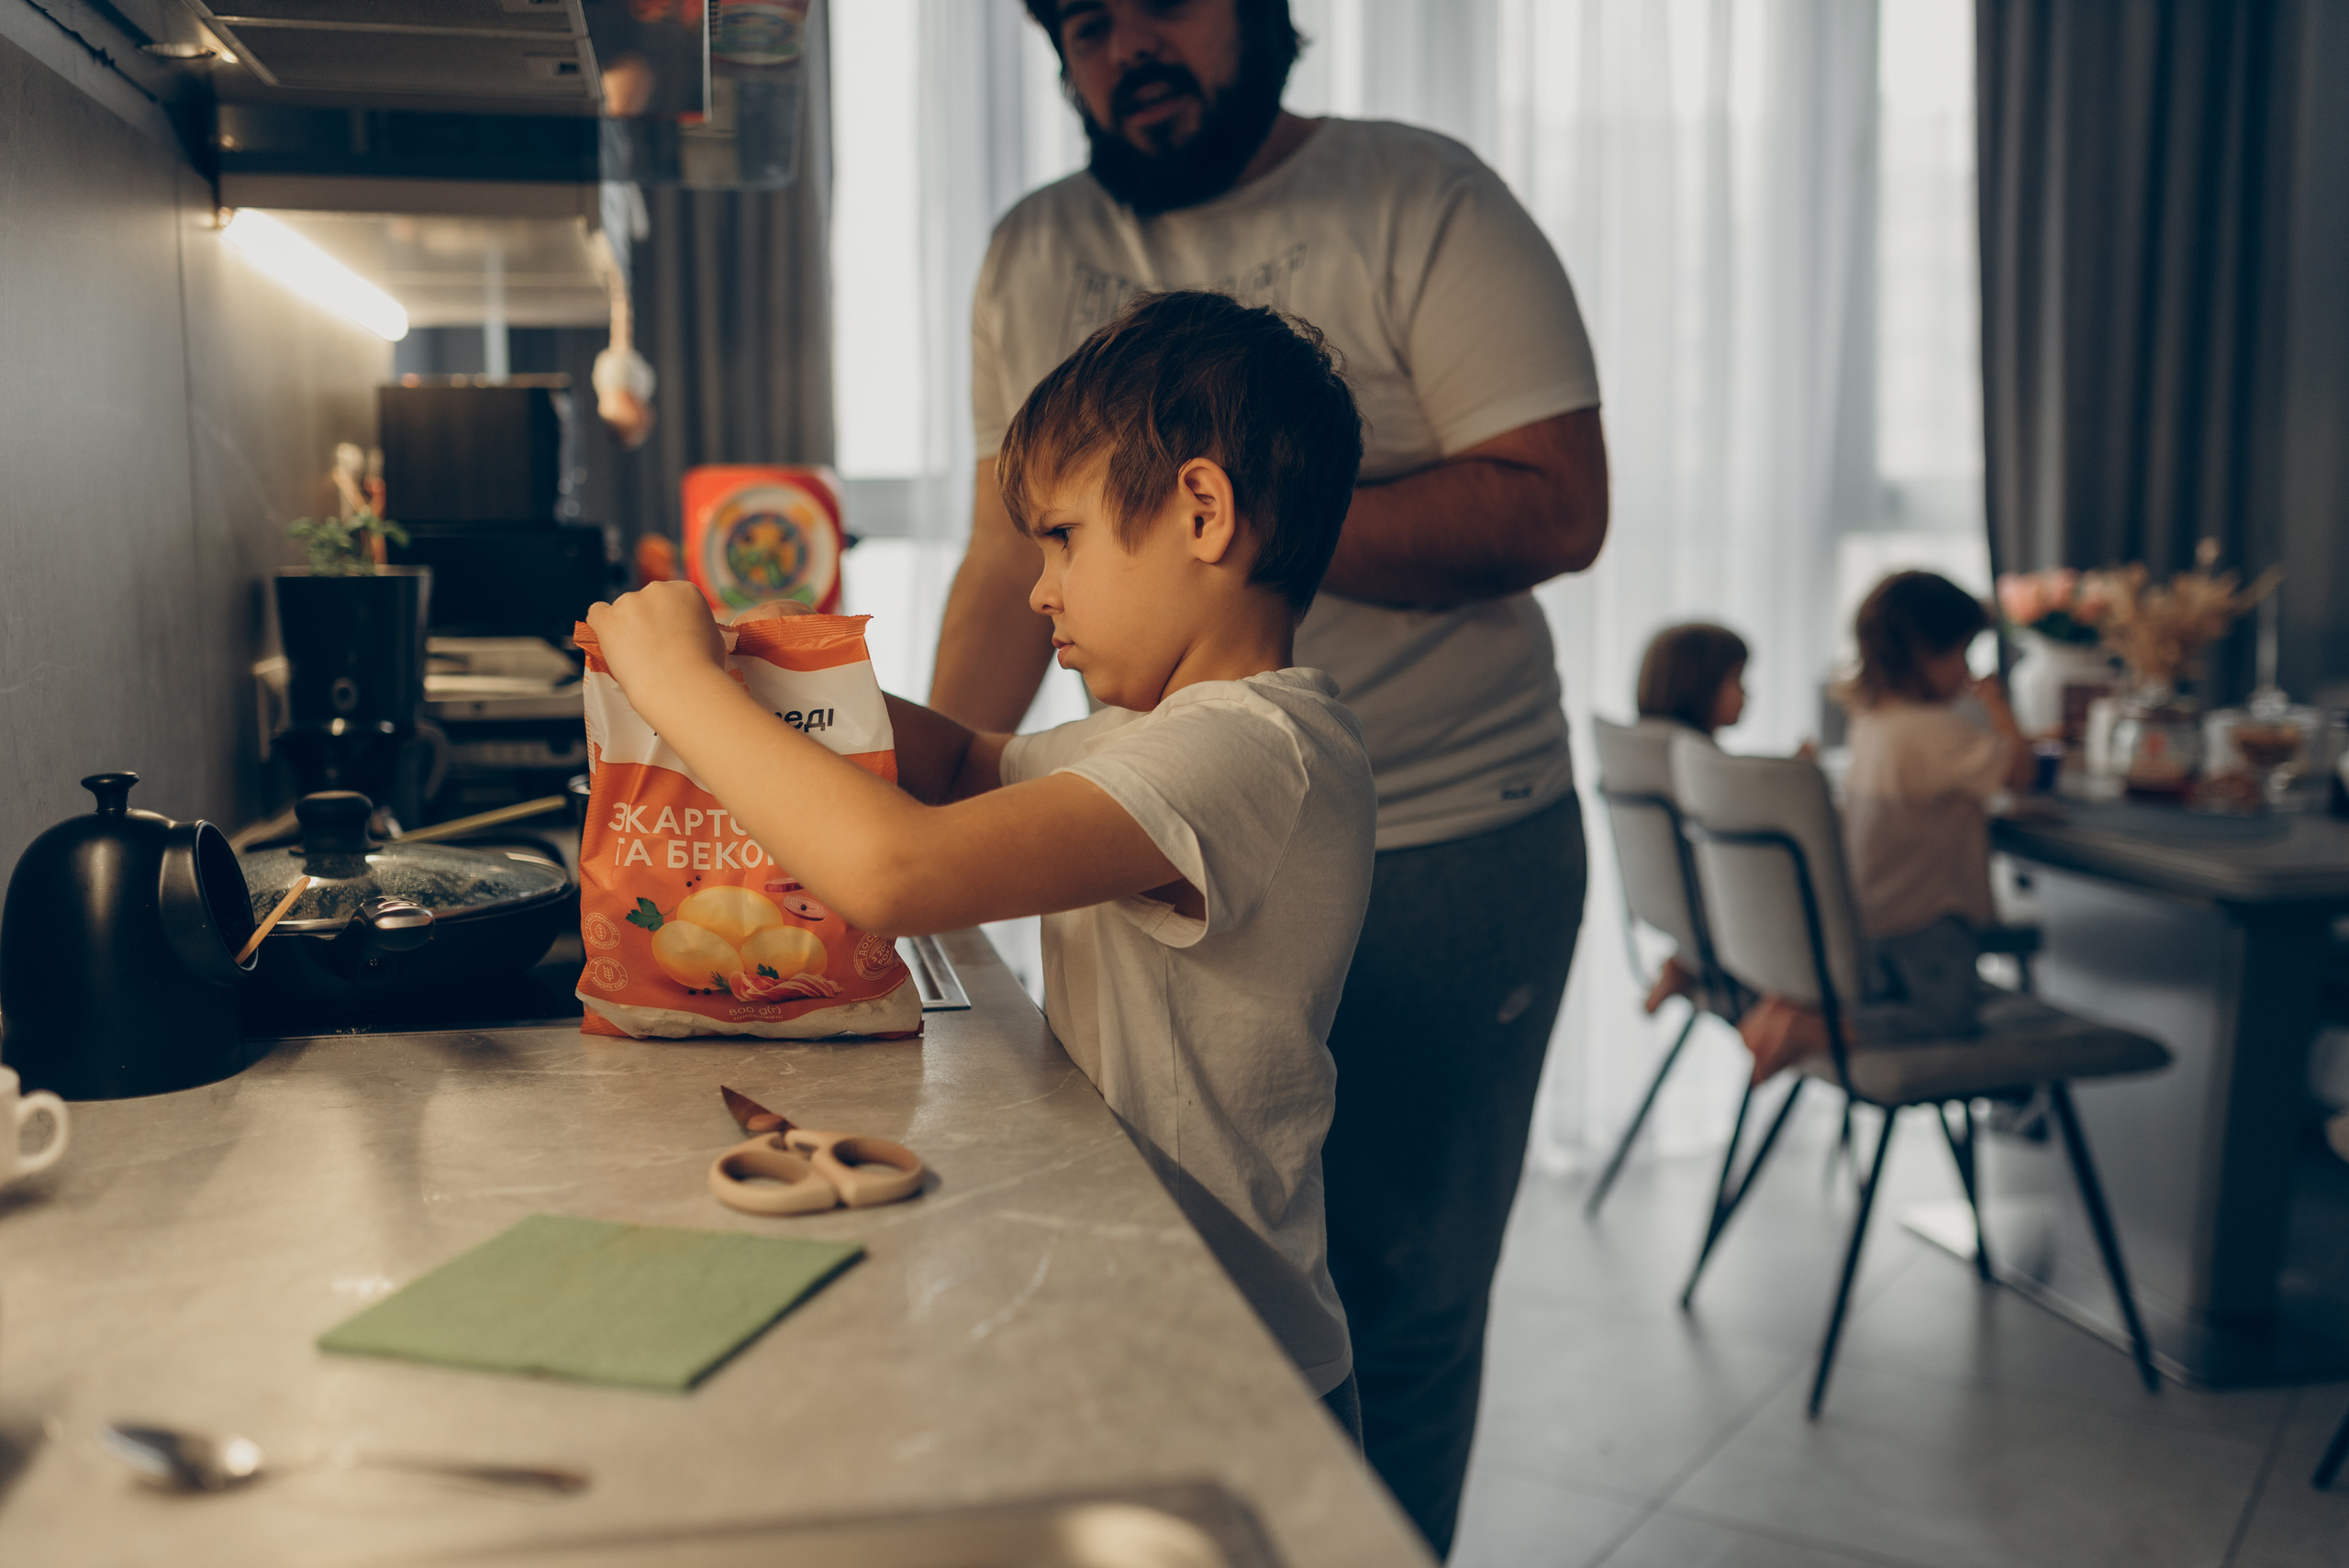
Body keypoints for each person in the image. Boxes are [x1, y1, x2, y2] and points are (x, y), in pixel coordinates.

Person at [929, 3, 1609, 1550]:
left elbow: (1558, 505)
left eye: (1163, 4)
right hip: (1154, 799)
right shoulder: (1035, 248)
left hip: (1456, 828)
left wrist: (1248, 508)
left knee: (1402, 1291)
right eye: (1086, 22)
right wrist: (950, 798)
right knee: (1215, 1266)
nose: (1127, 46)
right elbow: (998, 565)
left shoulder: (1416, 195)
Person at [585, 289, 1378, 1432]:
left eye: (1063, 537)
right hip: (1148, 1308)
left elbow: (897, 871)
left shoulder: (1253, 752)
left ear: (1203, 512)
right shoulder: (1158, 737)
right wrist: (771, 675)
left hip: (1229, 1366)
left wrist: (680, 687)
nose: (1038, 586)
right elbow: (960, 761)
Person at [1740, 572, 2034, 1081]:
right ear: (1923, 656)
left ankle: (1791, 1011)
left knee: (1906, 999)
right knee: (1947, 1019)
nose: (1967, 671)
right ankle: (1817, 1031)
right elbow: (2021, 773)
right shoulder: (1936, 730)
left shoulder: (1872, 721)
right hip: (1929, 923)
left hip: (1870, 919)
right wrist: (1997, 703)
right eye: (1961, 654)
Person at [1630, 622, 1749, 1015]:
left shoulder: (1649, 756)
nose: (1748, 694)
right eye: (1737, 680)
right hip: (1726, 922)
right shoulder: (1702, 767)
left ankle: (1685, 961)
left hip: (1687, 917)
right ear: (1699, 686)